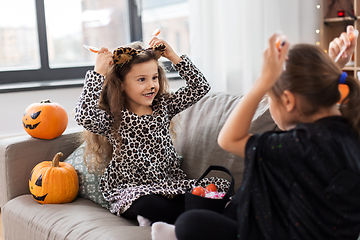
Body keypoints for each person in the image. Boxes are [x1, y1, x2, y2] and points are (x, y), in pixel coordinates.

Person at [151, 26, 360, 240]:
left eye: (268, 98)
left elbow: (228, 138)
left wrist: (263, 81)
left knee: (190, 222)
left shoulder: (294, 146)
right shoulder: (348, 131)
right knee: (251, 183)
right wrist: (332, 69)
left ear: (288, 101)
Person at [74, 37, 229, 226]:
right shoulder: (114, 119)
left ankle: (180, 219)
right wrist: (98, 73)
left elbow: (200, 87)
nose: (151, 85)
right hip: (132, 190)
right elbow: (85, 116)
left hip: (168, 186)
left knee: (216, 187)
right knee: (146, 203)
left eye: (154, 77)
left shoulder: (164, 106)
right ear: (121, 85)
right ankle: (180, 220)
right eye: (141, 79)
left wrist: (173, 56)